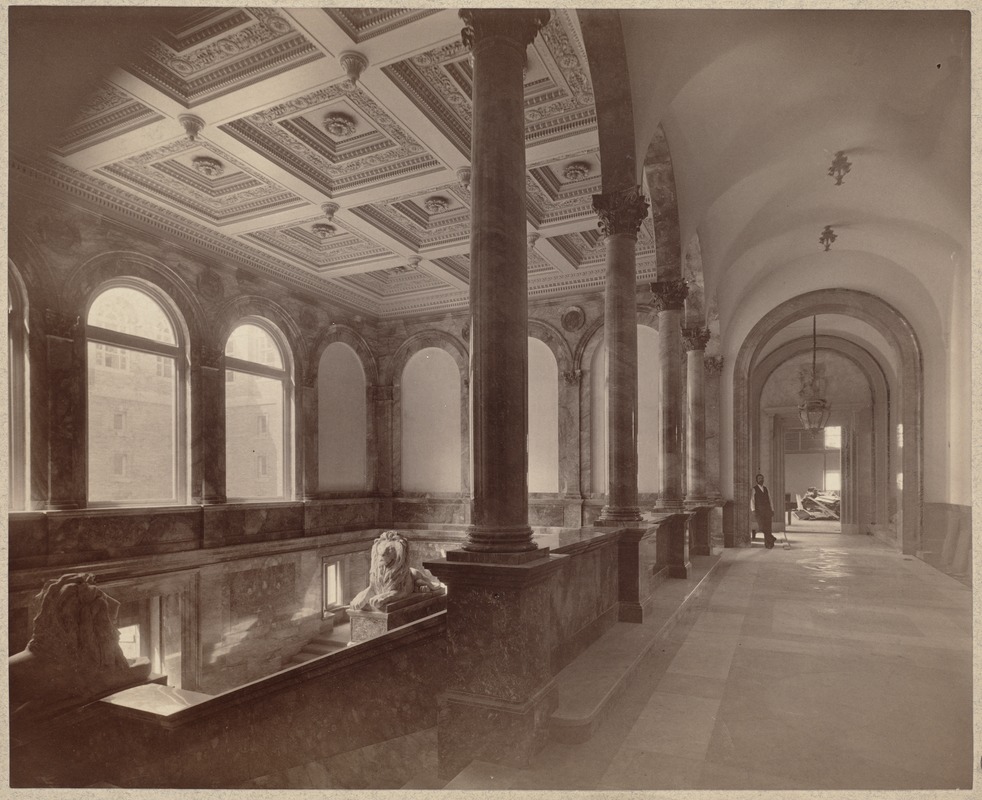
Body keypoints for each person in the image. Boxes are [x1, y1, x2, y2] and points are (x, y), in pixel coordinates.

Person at [751, 473, 776, 549]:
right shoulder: (754, 489)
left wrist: (772, 509)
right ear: (756, 480)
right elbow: (752, 500)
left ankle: (768, 544)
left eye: (762, 478)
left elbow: (770, 499)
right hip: (759, 512)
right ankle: (771, 538)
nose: (761, 480)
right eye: (759, 479)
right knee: (761, 527)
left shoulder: (766, 489)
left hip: (768, 510)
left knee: (768, 527)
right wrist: (753, 510)